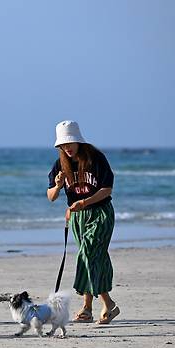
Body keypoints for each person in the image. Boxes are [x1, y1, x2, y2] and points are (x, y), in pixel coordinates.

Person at [47, 120, 120, 324]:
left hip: (100, 213)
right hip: (78, 217)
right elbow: (51, 196)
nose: (67, 148)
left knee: (87, 253)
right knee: (97, 259)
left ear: (79, 141)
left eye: (69, 143)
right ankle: (92, 309)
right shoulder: (60, 164)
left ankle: (103, 304)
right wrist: (58, 185)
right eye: (62, 145)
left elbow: (107, 189)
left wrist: (84, 202)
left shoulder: (96, 159)